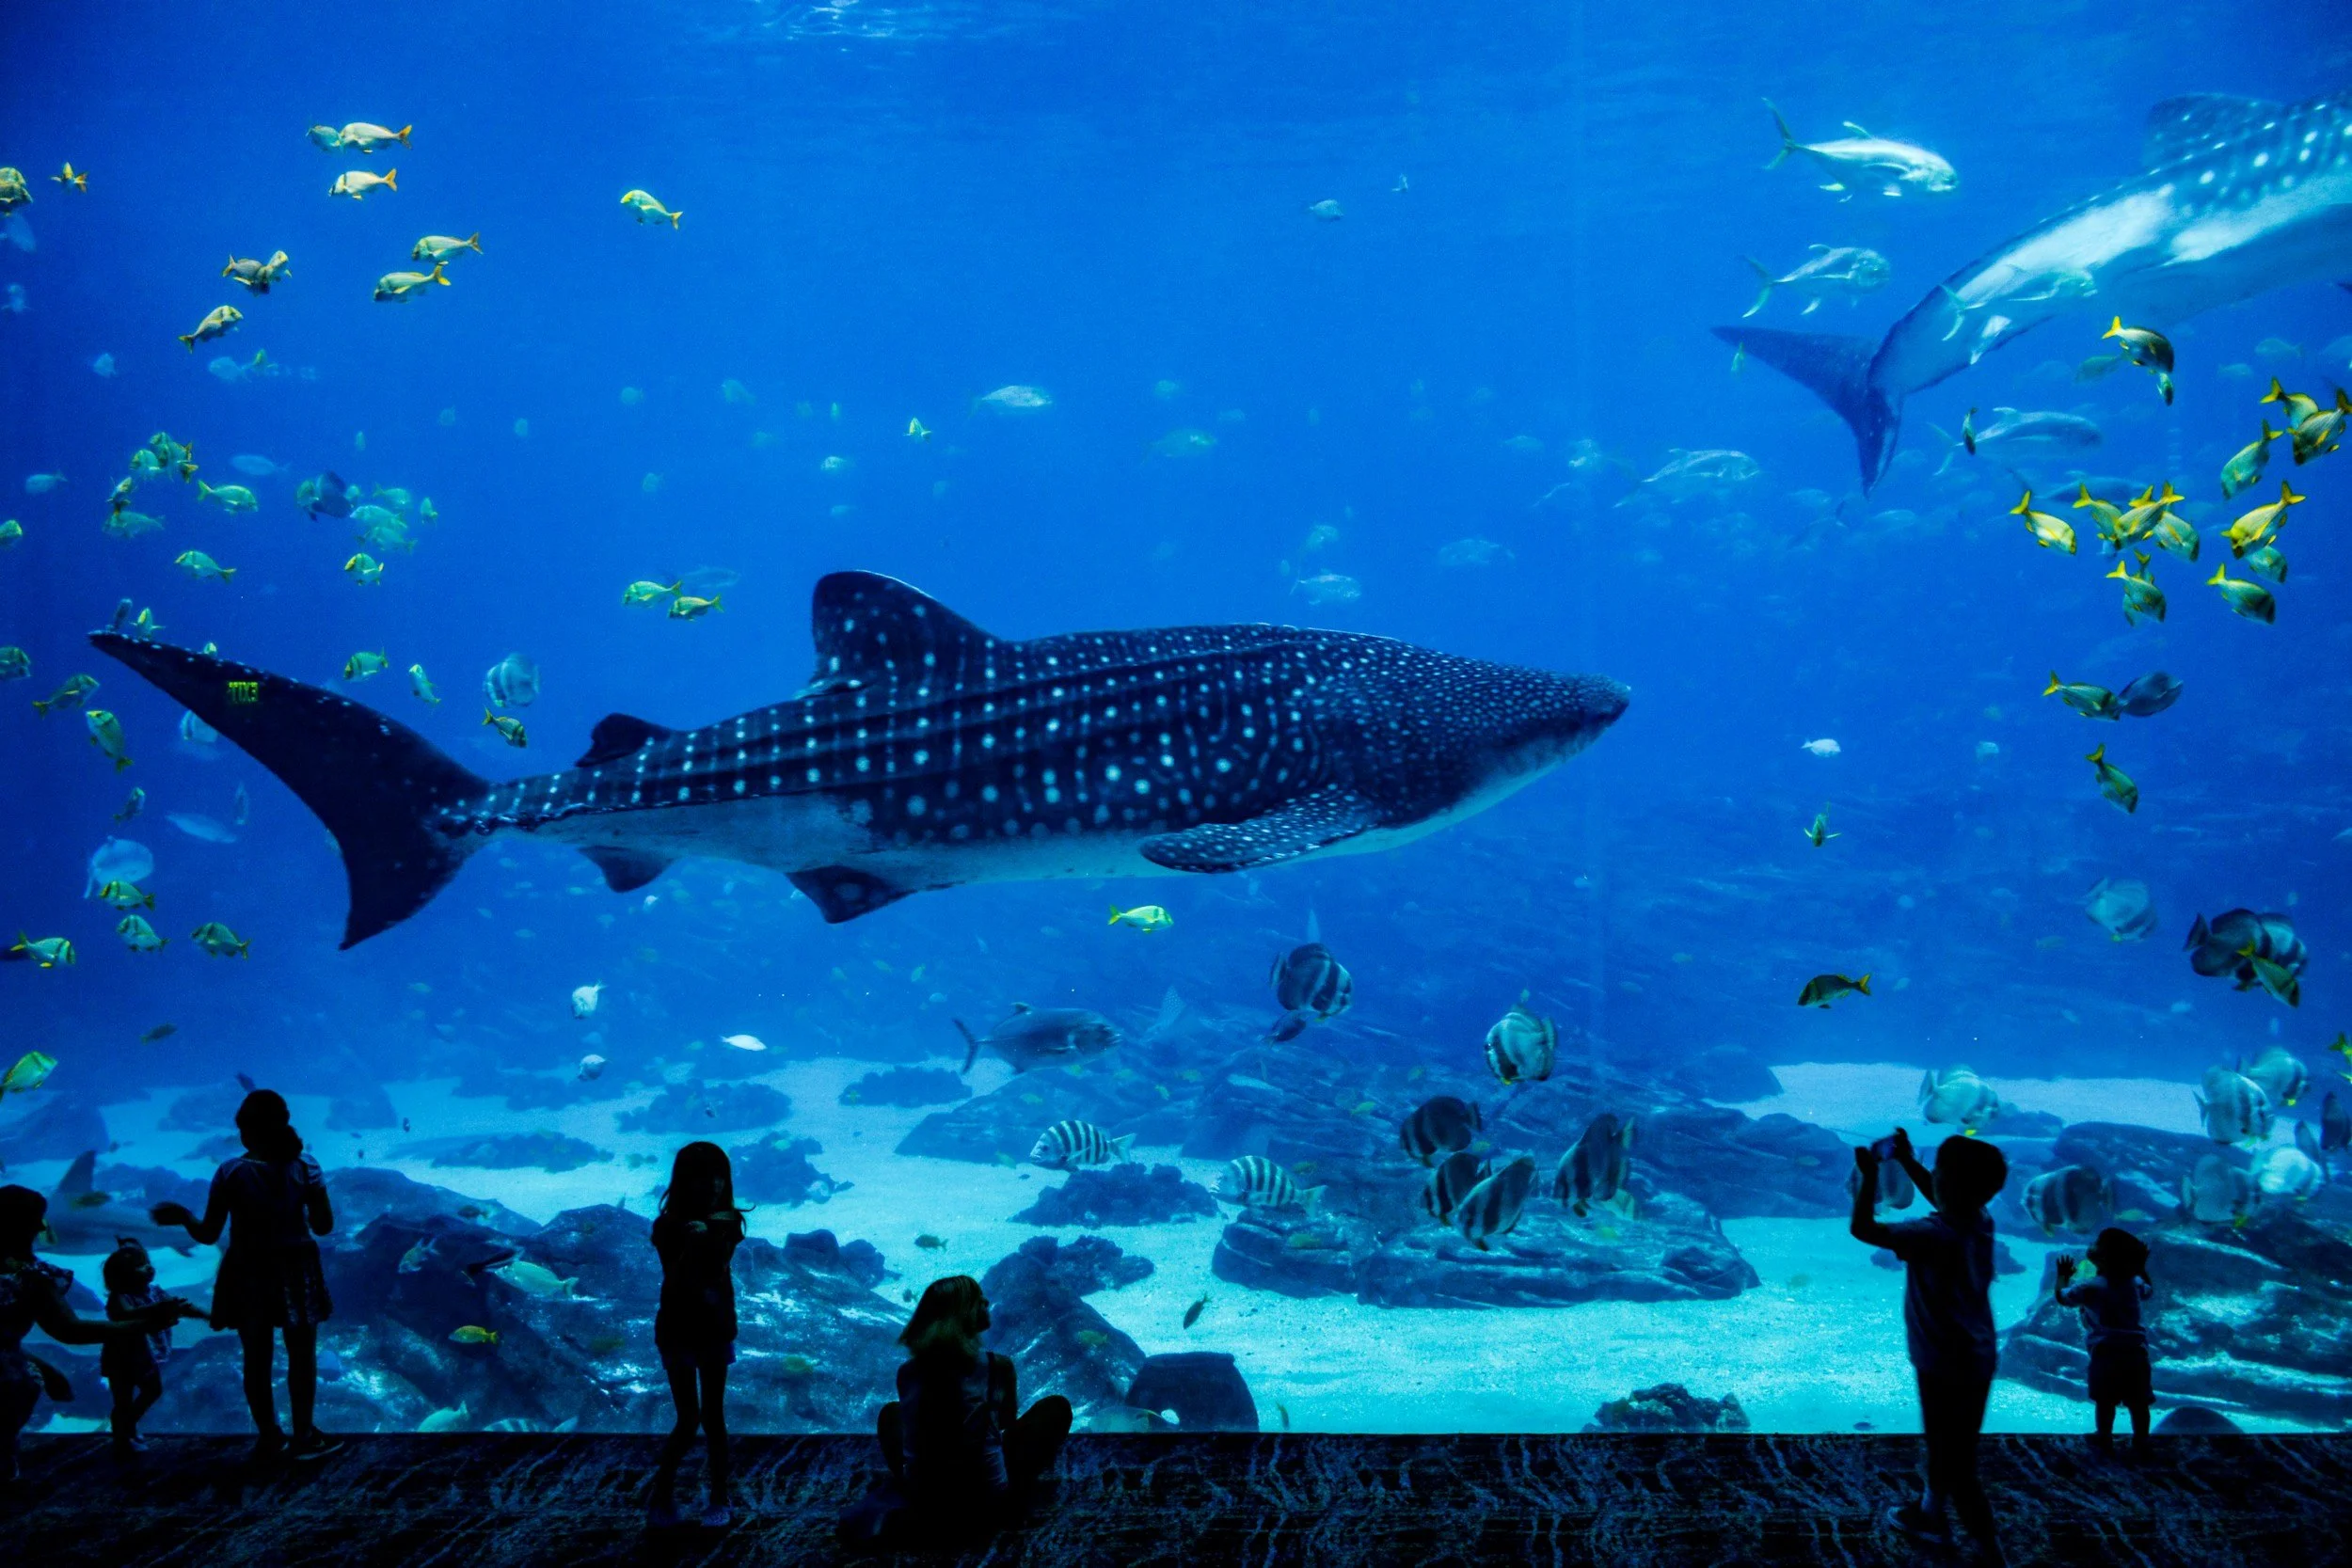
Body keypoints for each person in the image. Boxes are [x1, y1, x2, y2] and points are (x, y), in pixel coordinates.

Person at [150, 1088, 342, 1464]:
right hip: (297, 1268)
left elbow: (207, 1234)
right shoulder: (307, 1167)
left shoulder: (231, 1172)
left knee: (257, 1357)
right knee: (302, 1357)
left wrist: (183, 1216)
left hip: (249, 1270)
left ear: (248, 1132)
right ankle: (304, 1434)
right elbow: (323, 1226)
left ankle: (271, 1437)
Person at [1851, 1127, 2008, 1568]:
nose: (1934, 1177)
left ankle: (1989, 1550)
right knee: (1950, 1445)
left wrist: (1868, 1178)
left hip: (1941, 1361)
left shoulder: (1930, 1234)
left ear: (1948, 1183)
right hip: (1975, 1355)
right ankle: (1927, 1514)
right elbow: (1946, 1196)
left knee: (1957, 1465)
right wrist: (1907, 1161)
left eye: (1938, 1171)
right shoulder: (1980, 1219)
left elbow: (1864, 1229)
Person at [0, 1186, 196, 1481]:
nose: (43, 1226)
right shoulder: (31, 1276)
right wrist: (146, 1324)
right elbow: (71, 1330)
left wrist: (44, 1367)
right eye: (37, 1219)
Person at [873, 1275, 1072, 1534]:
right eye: (979, 1300)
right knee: (1055, 1407)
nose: (986, 1302)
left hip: (925, 1497)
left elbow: (916, 1425)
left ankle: (911, 1488)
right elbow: (1006, 1423)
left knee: (891, 1413)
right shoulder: (997, 1365)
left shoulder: (907, 1372)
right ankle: (1016, 1495)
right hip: (987, 1496)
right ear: (963, 1314)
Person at [648, 1141, 749, 1529]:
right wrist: (690, 1245)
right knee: (687, 1418)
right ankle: (661, 1495)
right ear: (684, 1180)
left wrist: (707, 1239)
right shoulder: (667, 1226)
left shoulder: (728, 1222)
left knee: (714, 1417)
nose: (713, 1184)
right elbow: (676, 1277)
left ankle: (720, 1496)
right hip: (676, 1328)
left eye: (720, 1175)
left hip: (714, 1329)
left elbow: (718, 1266)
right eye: (703, 1177)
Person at [2054, 1227, 2154, 1451]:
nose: (2092, 1243)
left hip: (2106, 1351)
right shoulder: (2135, 1282)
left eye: (2097, 1242)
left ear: (2103, 1256)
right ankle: (2141, 1439)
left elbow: (2063, 1298)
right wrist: (2141, 1267)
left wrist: (2062, 1276)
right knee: (2138, 1401)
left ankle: (2104, 1436)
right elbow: (2148, 1291)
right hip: (2136, 1350)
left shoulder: (2090, 1286)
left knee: (2105, 1399)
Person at [102, 1238, 185, 1456]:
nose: (148, 1267)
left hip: (146, 1355)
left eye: (147, 1262)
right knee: (122, 1399)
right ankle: (122, 1436)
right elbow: (125, 1315)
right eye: (140, 1265)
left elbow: (178, 1305)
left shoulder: (155, 1291)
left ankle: (126, 1426)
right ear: (122, 1276)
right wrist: (159, 1308)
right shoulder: (119, 1297)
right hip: (120, 1356)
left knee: (153, 1390)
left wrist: (204, 1314)